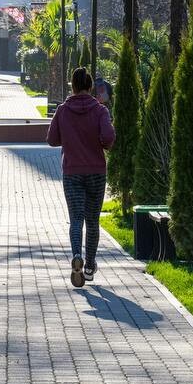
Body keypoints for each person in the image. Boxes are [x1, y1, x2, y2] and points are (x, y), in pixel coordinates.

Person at [46, 67, 116, 287]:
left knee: (76, 219)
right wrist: (102, 143)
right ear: (89, 86)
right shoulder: (100, 111)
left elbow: (52, 139)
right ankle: (89, 266)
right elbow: (108, 138)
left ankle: (77, 254)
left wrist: (69, 139)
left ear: (73, 86)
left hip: (72, 172)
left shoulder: (63, 111)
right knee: (93, 221)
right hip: (96, 172)